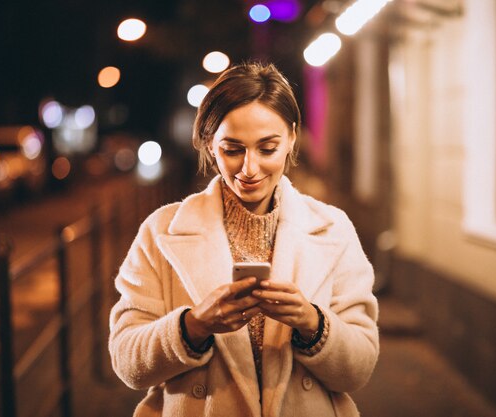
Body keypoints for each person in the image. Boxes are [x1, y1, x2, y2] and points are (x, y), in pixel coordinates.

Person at [109, 62, 379, 417]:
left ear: (292, 138)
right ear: (209, 143)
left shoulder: (332, 228)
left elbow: (359, 369)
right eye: (232, 149)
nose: (249, 169)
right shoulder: (162, 231)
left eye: (267, 148)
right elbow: (127, 363)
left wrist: (312, 323)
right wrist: (193, 326)